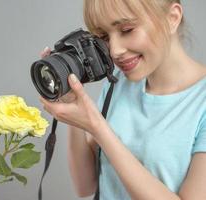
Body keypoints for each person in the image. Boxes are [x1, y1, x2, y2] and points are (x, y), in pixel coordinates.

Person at [39, 0, 206, 199]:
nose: (114, 51)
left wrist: (97, 128)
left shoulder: (200, 101)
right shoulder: (117, 83)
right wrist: (72, 106)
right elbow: (85, 185)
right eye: (103, 37)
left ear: (172, 18)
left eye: (127, 29)